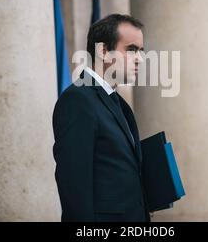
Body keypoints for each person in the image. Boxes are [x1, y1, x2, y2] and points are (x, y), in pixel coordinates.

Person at [52, 14, 150, 222]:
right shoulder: (78, 100)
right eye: (131, 50)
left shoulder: (120, 104)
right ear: (103, 51)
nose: (140, 59)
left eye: (141, 51)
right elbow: (74, 184)